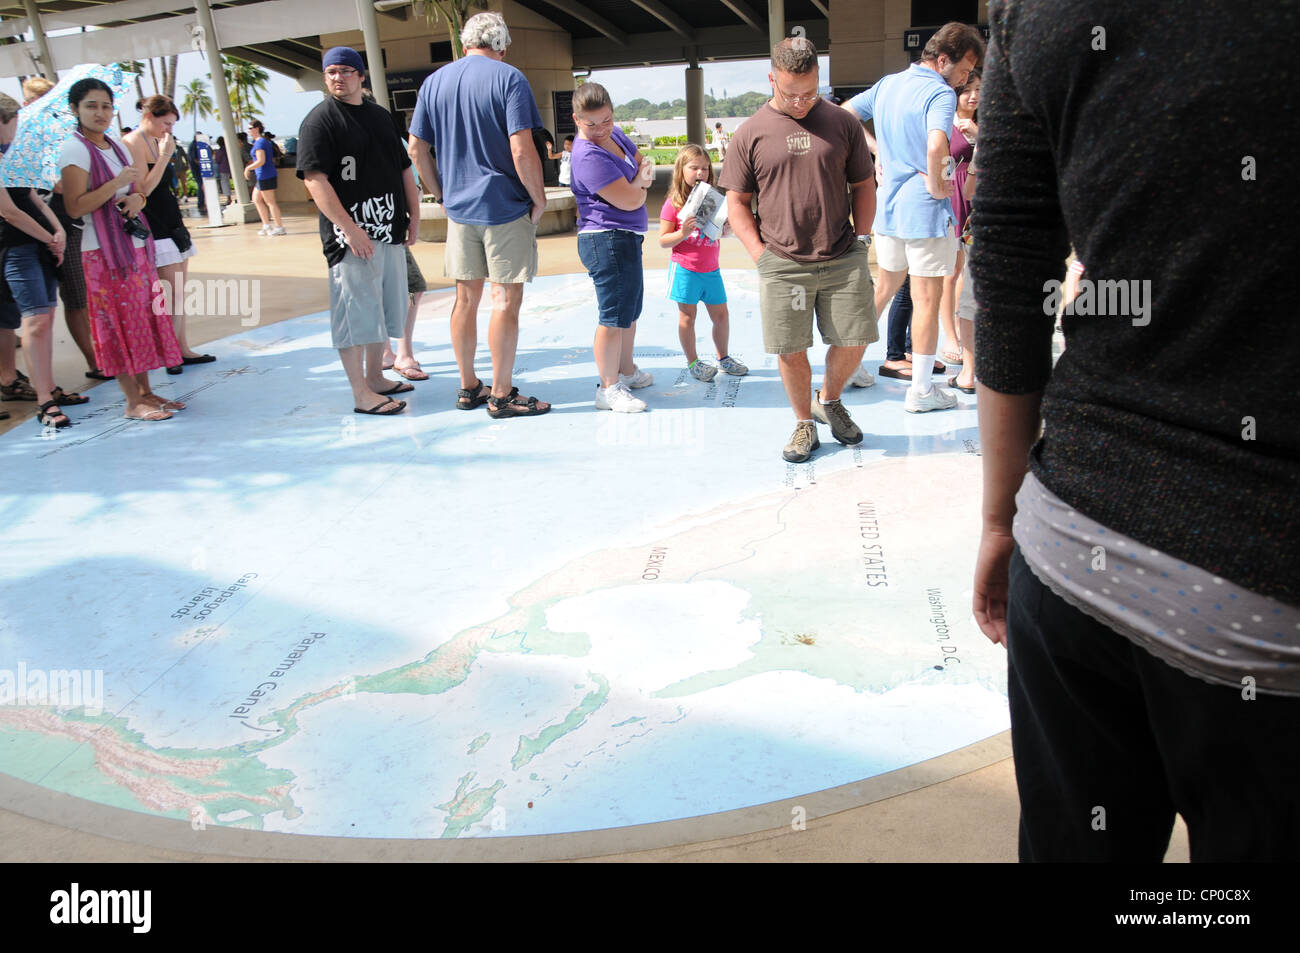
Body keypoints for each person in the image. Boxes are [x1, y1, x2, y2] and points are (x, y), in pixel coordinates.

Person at [971, 0, 1298, 862]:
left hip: (1071, 545)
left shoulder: (1030, 11)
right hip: (1268, 594)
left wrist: (1001, 517)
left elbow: (1007, 264)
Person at [721, 38, 876, 462]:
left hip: (843, 255)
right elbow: (736, 202)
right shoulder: (751, 132)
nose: (801, 102)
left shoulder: (842, 123)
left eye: (810, 92)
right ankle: (804, 423)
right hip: (783, 263)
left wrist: (862, 239)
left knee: (856, 337)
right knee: (790, 348)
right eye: (790, 94)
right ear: (772, 79)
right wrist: (759, 255)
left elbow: (864, 184)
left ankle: (830, 398)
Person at [407, 10, 550, 418]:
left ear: (466, 41)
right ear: (502, 45)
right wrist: (537, 199)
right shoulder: (509, 78)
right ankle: (502, 394)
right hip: (503, 206)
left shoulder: (434, 83)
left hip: (460, 210)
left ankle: (469, 386)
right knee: (504, 298)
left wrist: (442, 194)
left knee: (465, 298)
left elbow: (417, 149)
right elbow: (522, 149)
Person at [843, 21, 983, 413]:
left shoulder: (888, 83)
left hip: (887, 210)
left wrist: (875, 153)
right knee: (926, 299)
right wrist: (940, 188)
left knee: (884, 290)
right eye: (965, 69)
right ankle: (921, 391)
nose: (965, 78)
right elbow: (938, 142)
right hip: (924, 212)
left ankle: (850, 366)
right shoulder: (938, 91)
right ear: (942, 60)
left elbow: (844, 115)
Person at [296, 46, 421, 416]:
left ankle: (376, 378)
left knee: (380, 311)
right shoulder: (319, 121)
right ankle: (360, 394)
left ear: (361, 76)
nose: (338, 77)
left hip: (387, 231)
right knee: (352, 316)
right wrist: (349, 228)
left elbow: (403, 169)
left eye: (346, 71)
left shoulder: (380, 117)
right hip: (349, 239)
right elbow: (315, 179)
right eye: (331, 71)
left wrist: (412, 217)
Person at [59, 77, 185, 421]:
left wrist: (135, 197)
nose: (100, 113)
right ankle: (132, 401)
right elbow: (74, 206)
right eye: (91, 106)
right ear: (75, 110)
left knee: (139, 320)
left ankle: (145, 391)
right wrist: (115, 185)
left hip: (132, 248)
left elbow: (140, 190)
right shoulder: (74, 150)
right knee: (115, 325)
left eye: (105, 106)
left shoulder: (115, 146)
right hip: (100, 253)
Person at [0, 92, 86, 427]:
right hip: (15, 250)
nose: (16, 129)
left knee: (47, 318)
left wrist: (56, 230)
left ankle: (48, 386)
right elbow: (8, 212)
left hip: (41, 245)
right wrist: (50, 237)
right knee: (34, 320)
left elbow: (32, 196)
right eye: (13, 122)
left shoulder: (14, 155)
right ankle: (44, 401)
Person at [569, 82, 655, 413]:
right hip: (604, 238)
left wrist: (640, 183)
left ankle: (626, 370)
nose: (600, 129)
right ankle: (608, 387)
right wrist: (641, 184)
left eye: (605, 120)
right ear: (576, 119)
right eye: (591, 124)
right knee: (613, 316)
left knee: (629, 310)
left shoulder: (614, 134)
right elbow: (631, 198)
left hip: (626, 236)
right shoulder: (586, 153)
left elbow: (642, 162)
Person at [125, 96, 214, 376]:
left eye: (172, 125)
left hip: (173, 220)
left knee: (179, 292)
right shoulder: (133, 142)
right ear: (149, 116)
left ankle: (181, 347)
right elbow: (143, 190)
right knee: (166, 292)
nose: (168, 130)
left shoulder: (158, 139)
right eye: (165, 123)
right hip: (154, 223)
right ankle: (169, 351)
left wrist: (165, 152)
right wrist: (164, 156)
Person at [658, 143, 745, 383]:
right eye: (694, 167)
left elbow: (719, 232)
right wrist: (682, 233)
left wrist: (726, 228)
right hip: (685, 269)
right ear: (681, 170)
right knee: (688, 317)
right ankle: (693, 362)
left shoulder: (714, 200)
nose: (700, 173)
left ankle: (723, 357)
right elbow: (663, 241)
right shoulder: (672, 204)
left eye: (705, 168)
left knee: (722, 315)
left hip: (711, 270)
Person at [938, 69, 979, 367]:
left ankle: (964, 330)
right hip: (953, 198)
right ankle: (950, 336)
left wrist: (979, 135)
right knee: (950, 272)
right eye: (968, 90)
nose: (974, 96)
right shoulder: (945, 121)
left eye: (978, 89)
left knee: (967, 272)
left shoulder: (984, 124)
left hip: (976, 202)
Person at [245, 119, 285, 236]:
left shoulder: (260, 143)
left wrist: (248, 168)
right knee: (257, 200)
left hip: (265, 175)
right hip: (261, 175)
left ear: (257, 129)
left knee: (270, 202)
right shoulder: (257, 142)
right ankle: (266, 224)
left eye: (250, 128)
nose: (248, 131)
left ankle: (279, 227)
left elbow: (261, 160)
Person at [213, 134, 233, 206]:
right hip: (231, 168)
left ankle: (229, 198)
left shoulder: (219, 151)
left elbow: (217, 160)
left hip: (223, 169)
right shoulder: (229, 149)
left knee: (225, 183)